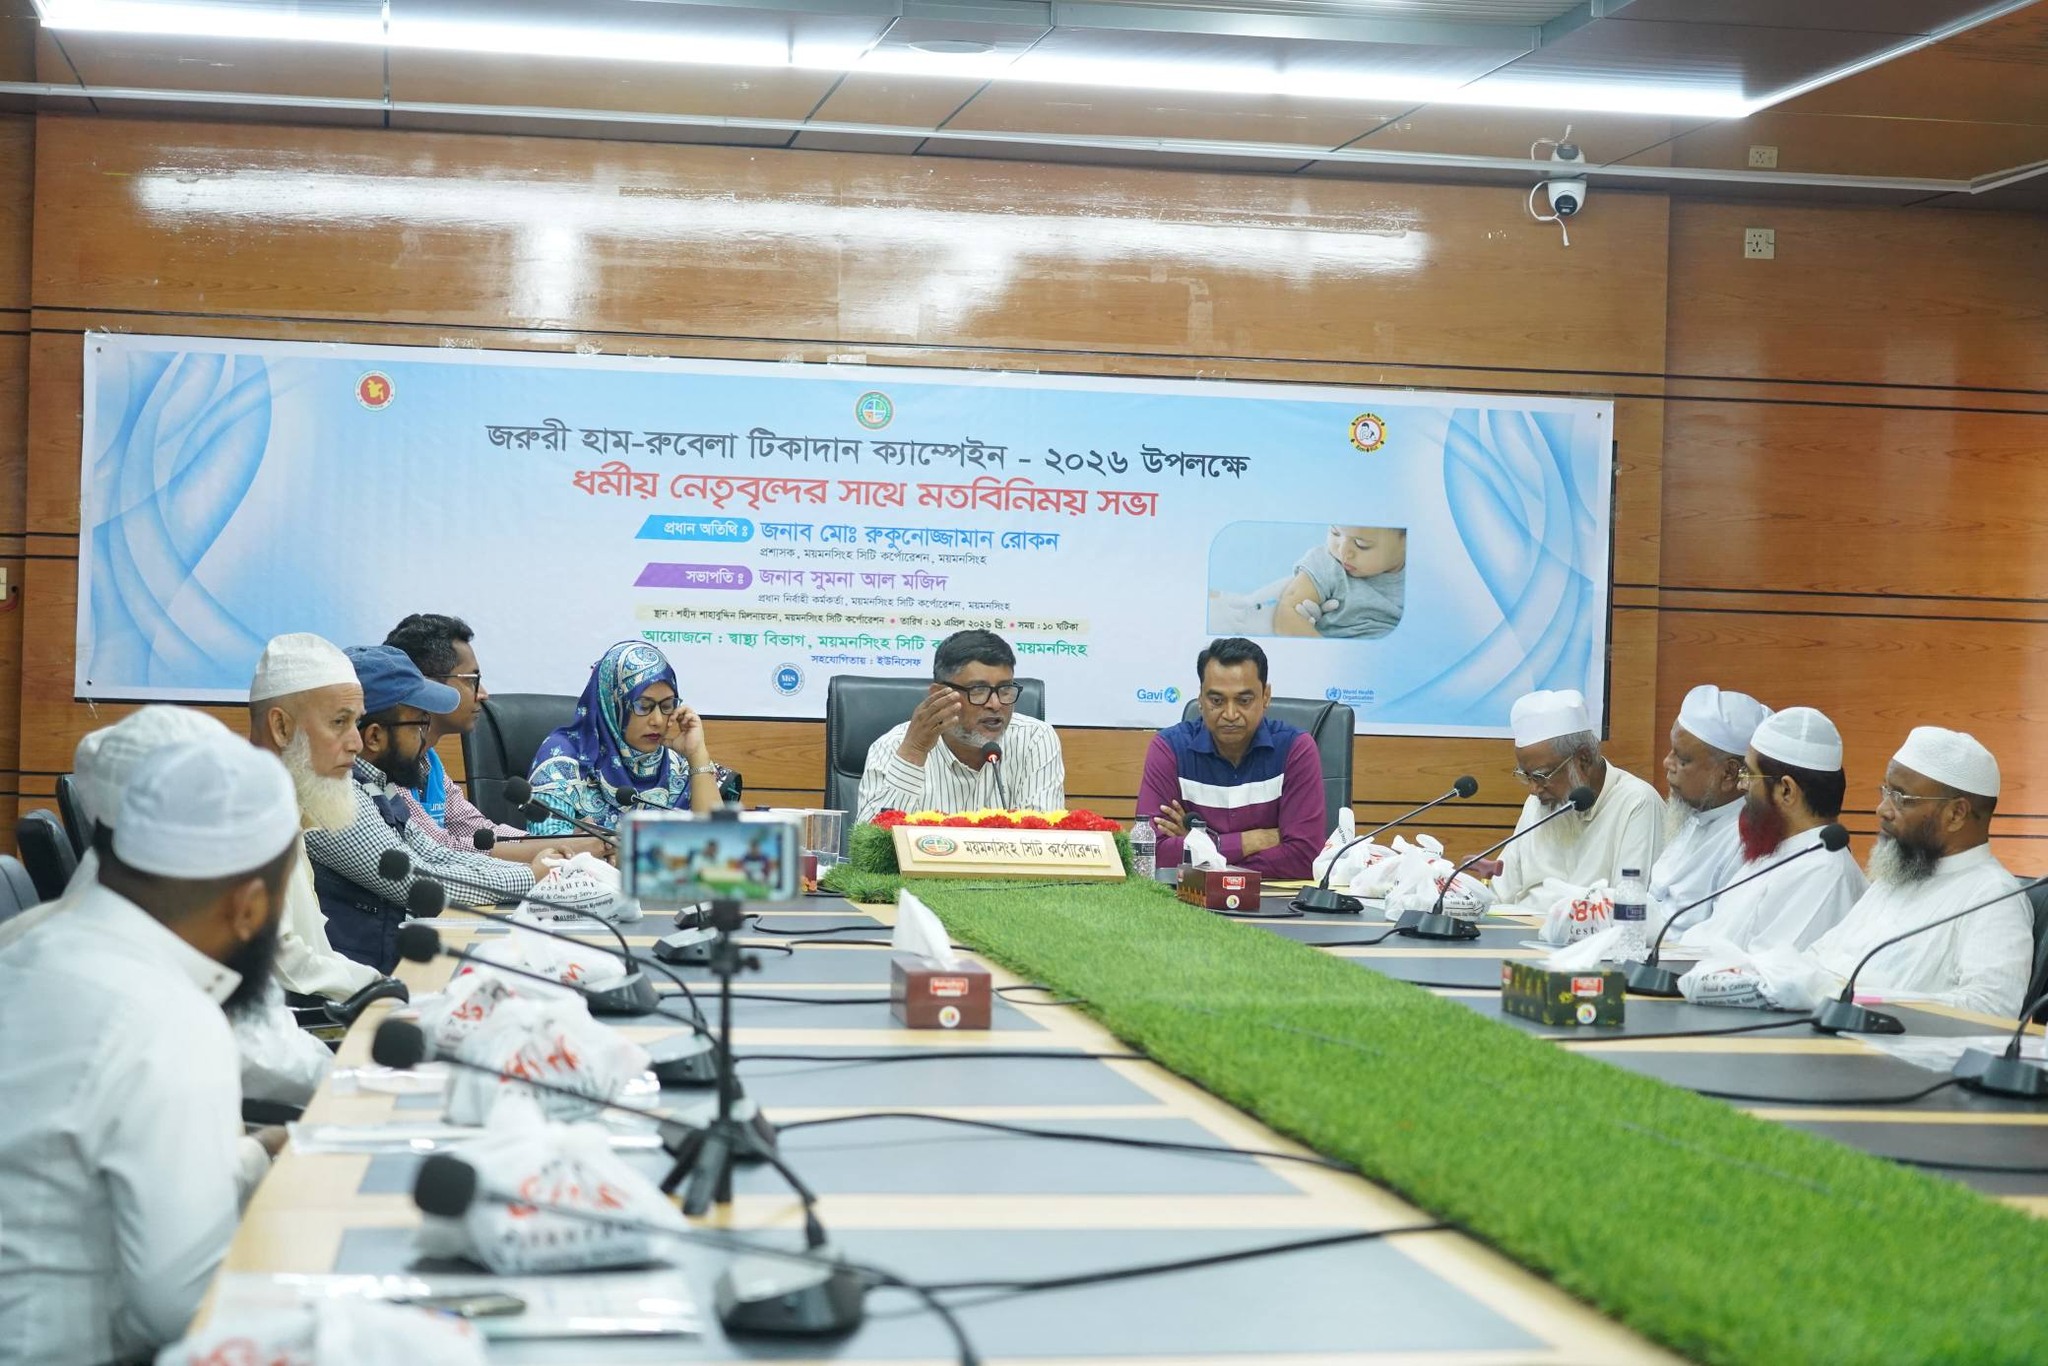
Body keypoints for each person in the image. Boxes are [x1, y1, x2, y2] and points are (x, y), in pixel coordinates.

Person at [0, 736, 301, 1364]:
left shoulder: (29, 948)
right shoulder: (169, 1015)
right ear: (249, 908)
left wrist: (256, 1156)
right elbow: (183, 1305)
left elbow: (80, 1165)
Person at [305, 646, 550, 973]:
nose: (426, 739)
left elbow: (435, 854)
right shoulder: (330, 794)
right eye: (420, 724)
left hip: (383, 967)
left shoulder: (376, 784)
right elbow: (417, 881)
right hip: (353, 985)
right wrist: (531, 877)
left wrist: (536, 871)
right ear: (375, 737)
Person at [1802, 726, 2032, 1017]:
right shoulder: (1899, 873)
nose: (1882, 809)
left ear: (1956, 814)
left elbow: (1992, 1010)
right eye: (1886, 791)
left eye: (1901, 797)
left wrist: (1865, 1002)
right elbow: (1820, 956)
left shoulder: (1993, 897)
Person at [383, 613, 605, 862]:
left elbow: (477, 829)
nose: (484, 694)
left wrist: (566, 843)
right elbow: (440, 849)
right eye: (472, 681)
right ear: (428, 685)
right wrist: (566, 850)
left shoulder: (429, 761)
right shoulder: (387, 764)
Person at [245, 632, 383, 1000]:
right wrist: (378, 987)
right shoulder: (245, 814)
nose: (356, 743)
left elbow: (313, 952)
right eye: (339, 722)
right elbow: (279, 960)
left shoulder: (287, 803)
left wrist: (377, 984)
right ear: (281, 727)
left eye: (356, 723)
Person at [1679, 707, 1864, 953]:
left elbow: (1772, 970)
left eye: (1749, 774)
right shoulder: (1774, 853)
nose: (1742, 785)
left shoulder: (1823, 872)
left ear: (1786, 790)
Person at [1135, 637, 1324, 878]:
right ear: (1200, 699)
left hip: (1275, 897)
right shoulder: (1169, 749)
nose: (1231, 714)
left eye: (1244, 701)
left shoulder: (1295, 749)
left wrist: (1199, 847)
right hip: (1191, 898)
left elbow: (1305, 858)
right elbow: (1153, 854)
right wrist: (1251, 840)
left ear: (1266, 696)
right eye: (1217, 701)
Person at [854, 629, 1066, 822]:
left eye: (1005, 689)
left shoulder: (1034, 739)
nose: (995, 704)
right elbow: (868, 842)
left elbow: (1044, 840)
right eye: (979, 690)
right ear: (939, 694)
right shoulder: (893, 746)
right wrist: (914, 753)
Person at [529, 639, 731, 834]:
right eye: (643, 706)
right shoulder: (563, 761)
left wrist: (697, 755)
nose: (658, 720)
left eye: (667, 706)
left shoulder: (676, 764)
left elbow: (720, 842)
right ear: (613, 705)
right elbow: (546, 845)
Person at [1492, 688, 1662, 906]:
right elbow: (1500, 894)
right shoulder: (1540, 802)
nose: (1533, 789)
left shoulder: (1637, 803)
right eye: (1526, 776)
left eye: (1542, 776)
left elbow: (1628, 905)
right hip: (1517, 927)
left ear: (1583, 759)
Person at [1649, 684, 1771, 934]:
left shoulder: (1747, 840)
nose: (1666, 762)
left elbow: (1715, 940)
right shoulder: (1694, 812)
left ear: (1729, 773)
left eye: (1682, 759)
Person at [1272, 524, 1406, 640]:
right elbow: (1286, 613)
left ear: (1406, 541)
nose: (1342, 551)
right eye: (1335, 532)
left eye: (1361, 544)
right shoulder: (1327, 563)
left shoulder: (1416, 578)